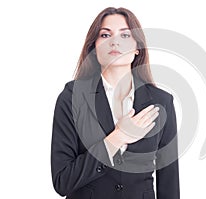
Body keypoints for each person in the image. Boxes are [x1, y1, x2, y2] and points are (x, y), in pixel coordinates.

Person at [51, 7, 180, 199]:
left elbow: (169, 181)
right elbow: (63, 181)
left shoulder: (162, 101)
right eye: (105, 34)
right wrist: (117, 138)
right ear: (94, 47)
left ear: (138, 48)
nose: (115, 41)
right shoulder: (71, 97)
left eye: (125, 35)